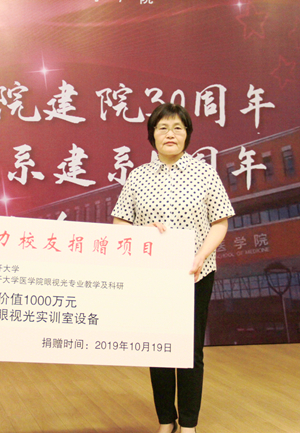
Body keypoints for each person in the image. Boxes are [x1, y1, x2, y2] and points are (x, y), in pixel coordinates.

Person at [111, 103, 234, 433]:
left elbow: (220, 222)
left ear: (187, 135)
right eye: (162, 127)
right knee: (159, 346)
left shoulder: (204, 174)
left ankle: (189, 424)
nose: (170, 134)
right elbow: (120, 223)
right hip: (154, 277)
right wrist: (143, 233)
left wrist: (200, 256)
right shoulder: (138, 177)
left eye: (177, 128)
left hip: (197, 273)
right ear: (152, 135)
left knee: (190, 350)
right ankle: (166, 420)